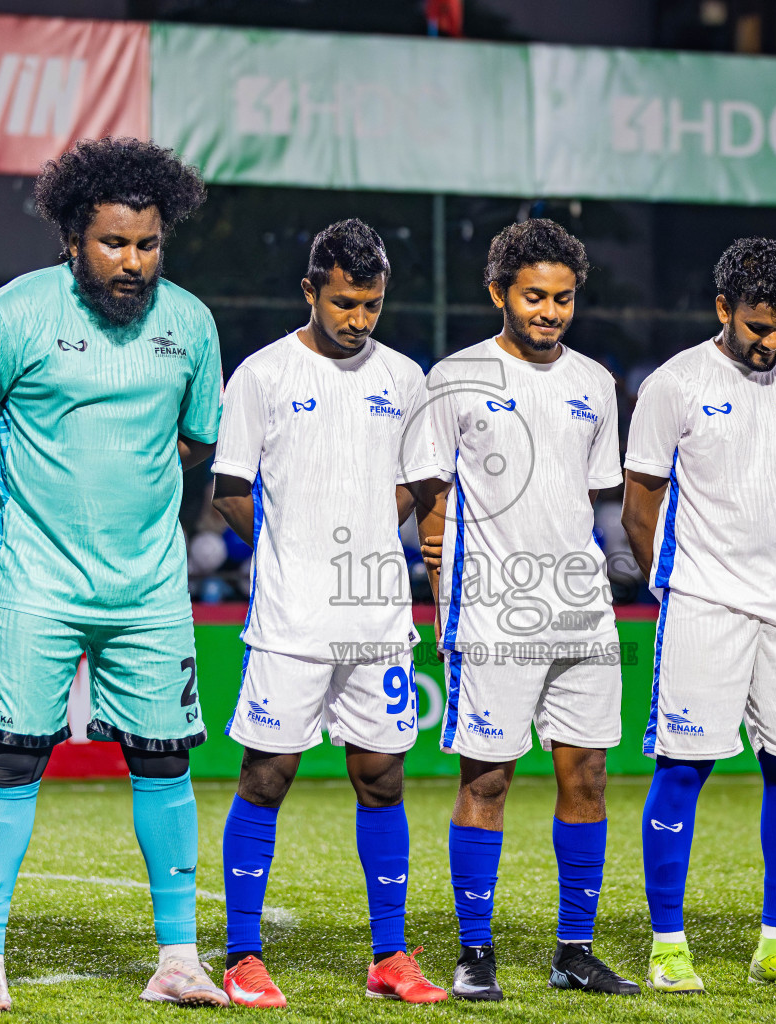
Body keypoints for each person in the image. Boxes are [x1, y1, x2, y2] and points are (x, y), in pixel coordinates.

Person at [0, 138, 226, 1012]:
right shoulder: (13, 314)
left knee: (163, 759)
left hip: (151, 589)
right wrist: (4, 500)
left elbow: (199, 440)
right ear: (71, 239)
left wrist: (139, 488)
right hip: (38, 585)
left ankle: (177, 960)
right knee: (15, 760)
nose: (133, 263)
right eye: (114, 244)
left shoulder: (191, 323)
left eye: (148, 245)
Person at [213, 219, 447, 1008]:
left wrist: (373, 532)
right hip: (290, 623)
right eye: (344, 303)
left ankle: (390, 956)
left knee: (382, 778)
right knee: (267, 775)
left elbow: (421, 480)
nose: (358, 319)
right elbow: (230, 487)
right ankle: (242, 955)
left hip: (378, 622)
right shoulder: (261, 376)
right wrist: (299, 549)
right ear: (310, 290)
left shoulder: (407, 379)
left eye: (372, 305)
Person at [413, 219, 637, 1000]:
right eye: (535, 297)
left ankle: (573, 952)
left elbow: (591, 497)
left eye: (564, 299)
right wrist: (445, 602)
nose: (550, 312)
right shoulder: (453, 378)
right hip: (493, 615)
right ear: (498, 293)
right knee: (488, 782)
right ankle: (476, 954)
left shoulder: (595, 383)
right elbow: (431, 501)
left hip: (582, 613)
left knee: (589, 777)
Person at [621, 238, 776, 993]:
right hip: (703, 604)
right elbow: (638, 505)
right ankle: (668, 945)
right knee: (683, 768)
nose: (770, 340)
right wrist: (678, 584)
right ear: (723, 309)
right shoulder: (675, 384)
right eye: (757, 326)